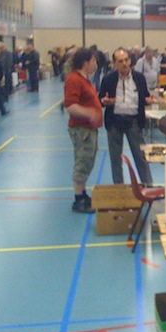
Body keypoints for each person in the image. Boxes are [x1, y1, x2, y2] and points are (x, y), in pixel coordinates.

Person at [99, 48, 154, 185]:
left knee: (140, 157)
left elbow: (145, 96)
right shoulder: (108, 79)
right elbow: (101, 99)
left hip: (134, 122)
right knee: (115, 159)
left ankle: (148, 186)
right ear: (114, 63)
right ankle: (119, 188)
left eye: (126, 60)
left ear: (130, 61)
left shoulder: (139, 78)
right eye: (120, 61)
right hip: (114, 122)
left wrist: (148, 101)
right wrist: (105, 101)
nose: (124, 63)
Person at [64, 48, 103, 213]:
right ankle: (78, 199)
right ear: (85, 63)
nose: (95, 64)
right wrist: (89, 113)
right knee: (82, 163)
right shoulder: (74, 80)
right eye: (93, 61)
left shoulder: (85, 79)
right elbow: (71, 106)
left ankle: (83, 193)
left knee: (87, 162)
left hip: (89, 129)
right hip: (82, 130)